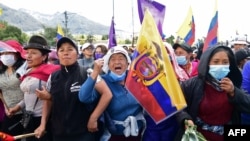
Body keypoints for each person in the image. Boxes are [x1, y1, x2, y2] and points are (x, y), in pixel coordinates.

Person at [34, 37, 112, 141]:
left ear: (77, 54)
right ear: (58, 55)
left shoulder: (88, 72)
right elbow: (48, 102)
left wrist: (94, 118)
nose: (66, 53)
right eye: (61, 50)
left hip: (83, 133)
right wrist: (42, 124)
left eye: (70, 49)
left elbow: (107, 94)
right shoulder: (53, 77)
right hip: (59, 133)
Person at [175, 45, 250, 141]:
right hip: (199, 136)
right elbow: (179, 106)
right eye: (216, 62)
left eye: (225, 62)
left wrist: (234, 92)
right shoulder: (191, 84)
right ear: (207, 63)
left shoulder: (233, 83)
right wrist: (185, 119)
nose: (220, 66)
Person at [79, 46, 145, 141]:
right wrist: (95, 72)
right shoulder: (103, 81)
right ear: (108, 65)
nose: (117, 62)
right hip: (113, 135)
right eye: (113, 59)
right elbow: (84, 98)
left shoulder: (136, 80)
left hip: (137, 133)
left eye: (121, 59)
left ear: (127, 63)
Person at [8, 35, 60, 141]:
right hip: (28, 117)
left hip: (43, 120)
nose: (28, 56)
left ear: (44, 56)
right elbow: (28, 95)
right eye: (27, 52)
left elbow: (56, 97)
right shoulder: (27, 72)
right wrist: (17, 108)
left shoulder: (52, 72)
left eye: (34, 53)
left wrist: (43, 124)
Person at [142, 42, 189, 141]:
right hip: (152, 120)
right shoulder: (145, 73)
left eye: (166, 52)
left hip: (173, 119)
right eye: (158, 52)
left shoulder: (180, 74)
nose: (162, 55)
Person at [0, 40, 26, 139]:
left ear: (16, 53)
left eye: (8, 53)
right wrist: (6, 108)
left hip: (23, 112)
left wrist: (17, 107)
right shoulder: (2, 70)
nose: (5, 56)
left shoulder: (24, 69)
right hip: (8, 112)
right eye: (3, 53)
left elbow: (29, 91)